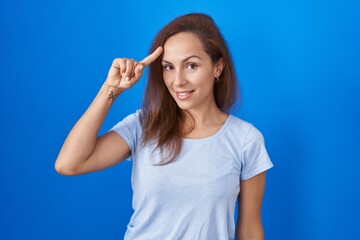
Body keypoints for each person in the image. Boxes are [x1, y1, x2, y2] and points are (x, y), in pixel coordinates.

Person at [55, 13, 273, 240]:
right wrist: (110, 89)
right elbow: (69, 164)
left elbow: (249, 230)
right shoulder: (143, 126)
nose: (178, 80)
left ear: (217, 68)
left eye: (191, 65)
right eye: (168, 67)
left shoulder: (245, 139)